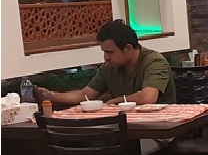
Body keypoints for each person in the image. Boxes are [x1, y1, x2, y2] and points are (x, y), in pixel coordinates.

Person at [35, 20, 176, 105]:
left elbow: (148, 97)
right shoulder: (109, 67)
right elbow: (86, 95)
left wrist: (117, 101)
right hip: (124, 128)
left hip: (158, 129)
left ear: (128, 48)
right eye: (104, 52)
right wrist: (51, 96)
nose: (106, 57)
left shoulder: (154, 62)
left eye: (110, 52)